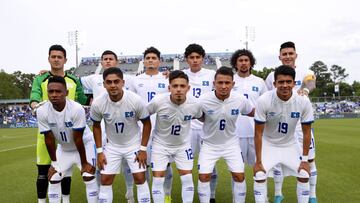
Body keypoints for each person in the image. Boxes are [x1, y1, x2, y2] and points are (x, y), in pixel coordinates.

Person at [30, 44, 89, 203]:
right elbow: (34, 97)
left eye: (59, 57)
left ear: (65, 60)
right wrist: (35, 105)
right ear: (49, 59)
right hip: (47, 132)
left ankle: (66, 200)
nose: (56, 60)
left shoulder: (74, 80)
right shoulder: (40, 79)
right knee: (43, 171)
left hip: (68, 134)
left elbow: (83, 100)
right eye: (53, 57)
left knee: (65, 171)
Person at [265, 41, 317, 203]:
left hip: (301, 125)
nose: (288, 56)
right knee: (278, 161)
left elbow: (310, 82)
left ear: (296, 55)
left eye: (290, 53)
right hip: (281, 125)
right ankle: (278, 194)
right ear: (280, 56)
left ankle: (312, 195)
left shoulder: (306, 71)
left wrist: (306, 89)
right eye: (284, 54)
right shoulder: (271, 76)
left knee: (309, 160)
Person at [80, 50, 136, 202]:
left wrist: (168, 74)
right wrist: (54, 74)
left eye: (111, 59)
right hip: (101, 126)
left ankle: (130, 191)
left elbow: (149, 82)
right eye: (105, 59)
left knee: (127, 161)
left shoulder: (128, 79)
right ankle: (100, 192)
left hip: (122, 125)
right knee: (101, 161)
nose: (108, 61)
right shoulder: (93, 78)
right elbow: (73, 80)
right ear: (101, 62)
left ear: (116, 62)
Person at [253, 65, 313, 203]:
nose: (285, 85)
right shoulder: (264, 100)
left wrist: (304, 160)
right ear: (274, 84)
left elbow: (306, 132)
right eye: (281, 82)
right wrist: (258, 161)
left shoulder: (303, 101)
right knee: (260, 174)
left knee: (304, 173)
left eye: (288, 82)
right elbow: (258, 133)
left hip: (289, 144)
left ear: (294, 83)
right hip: (269, 144)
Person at [90, 67, 151, 203]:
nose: (113, 85)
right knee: (105, 180)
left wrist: (143, 149)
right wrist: (100, 151)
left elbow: (147, 124)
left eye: (116, 81)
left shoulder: (135, 100)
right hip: (112, 146)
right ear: (104, 84)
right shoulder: (98, 103)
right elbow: (96, 126)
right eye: (109, 82)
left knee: (140, 178)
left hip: (134, 144)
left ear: (122, 82)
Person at [36, 76, 98, 203]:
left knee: (88, 176)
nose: (54, 95)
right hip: (64, 148)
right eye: (50, 91)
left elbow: (78, 139)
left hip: (84, 146)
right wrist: (54, 163)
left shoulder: (76, 109)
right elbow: (48, 139)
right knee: (53, 177)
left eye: (58, 91)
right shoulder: (42, 110)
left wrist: (85, 163)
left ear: (66, 93)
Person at [197, 66, 254, 203]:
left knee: (239, 176)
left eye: (227, 83)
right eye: (220, 83)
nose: (223, 86)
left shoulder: (240, 99)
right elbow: (196, 115)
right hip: (209, 144)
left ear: (233, 84)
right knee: (204, 177)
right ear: (214, 83)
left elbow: (253, 112)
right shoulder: (203, 99)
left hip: (231, 144)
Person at [148, 70, 202, 203]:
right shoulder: (158, 101)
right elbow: (143, 115)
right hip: (160, 145)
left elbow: (202, 117)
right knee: (158, 179)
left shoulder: (195, 104)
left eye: (182, 86)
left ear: (188, 88)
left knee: (187, 178)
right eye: (175, 86)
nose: (178, 89)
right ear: (169, 88)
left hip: (182, 146)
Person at [132, 46, 173, 202]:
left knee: (166, 165)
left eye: (153, 58)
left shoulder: (167, 79)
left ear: (159, 61)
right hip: (142, 128)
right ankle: (147, 196)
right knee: (143, 163)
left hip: (163, 127)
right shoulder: (136, 80)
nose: (150, 60)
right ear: (143, 61)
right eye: (148, 58)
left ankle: (167, 194)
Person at [182, 43, 218, 203]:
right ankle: (188, 196)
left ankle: (211, 196)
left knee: (210, 166)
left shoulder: (212, 75)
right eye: (192, 57)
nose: (195, 60)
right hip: (187, 128)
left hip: (207, 127)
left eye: (198, 57)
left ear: (203, 59)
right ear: (187, 59)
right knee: (186, 166)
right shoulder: (180, 74)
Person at [231, 49, 267, 166]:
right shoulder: (230, 81)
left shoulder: (259, 81)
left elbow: (266, 105)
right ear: (235, 64)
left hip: (256, 132)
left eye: (246, 60)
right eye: (240, 60)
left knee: (259, 167)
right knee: (237, 170)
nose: (244, 63)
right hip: (235, 132)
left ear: (251, 63)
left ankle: (259, 185)